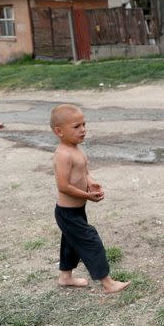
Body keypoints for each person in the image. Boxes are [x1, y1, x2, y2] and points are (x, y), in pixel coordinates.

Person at [51, 104, 130, 294]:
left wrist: (91, 183)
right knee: (90, 241)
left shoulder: (77, 150)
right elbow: (63, 186)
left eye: (84, 124)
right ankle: (108, 283)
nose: (83, 130)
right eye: (76, 127)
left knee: (70, 243)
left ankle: (65, 277)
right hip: (67, 213)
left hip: (76, 210)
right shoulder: (63, 154)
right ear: (59, 131)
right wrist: (87, 196)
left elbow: (83, 173)